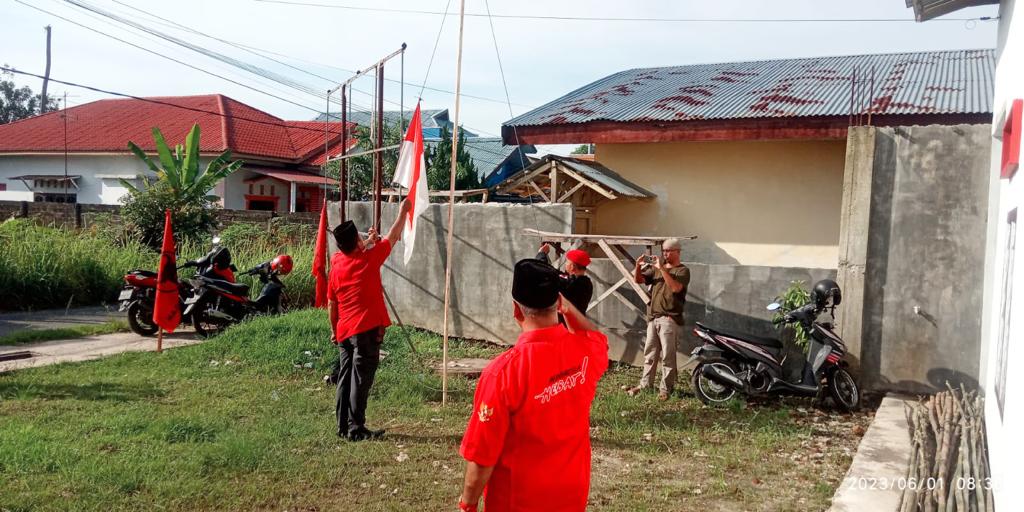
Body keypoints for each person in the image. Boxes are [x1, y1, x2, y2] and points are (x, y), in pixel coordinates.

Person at [458, 259, 609, 512]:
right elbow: (596, 338)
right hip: (571, 495)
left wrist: (467, 504)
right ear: (559, 304)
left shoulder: (503, 373)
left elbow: (483, 456)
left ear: (516, 310)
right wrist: (568, 309)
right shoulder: (586, 352)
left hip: (519, 501)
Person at [328, 198, 411, 441]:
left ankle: (343, 426)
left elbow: (332, 303)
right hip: (365, 330)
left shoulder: (337, 263)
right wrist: (403, 211)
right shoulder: (368, 261)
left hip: (344, 330)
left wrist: (334, 329)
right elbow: (394, 237)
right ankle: (356, 429)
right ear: (355, 241)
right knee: (360, 381)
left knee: (345, 377)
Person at [625, 238, 691, 401]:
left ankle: (665, 389)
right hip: (653, 317)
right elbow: (638, 280)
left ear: (677, 252)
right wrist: (639, 266)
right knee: (650, 354)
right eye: (664, 251)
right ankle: (645, 384)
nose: (665, 254)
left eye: (669, 251)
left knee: (668, 356)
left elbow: (676, 288)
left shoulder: (682, 271)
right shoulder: (655, 269)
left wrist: (661, 268)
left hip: (670, 318)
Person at [536, 243, 594, 316]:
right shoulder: (586, 283)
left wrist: (541, 254)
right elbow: (555, 273)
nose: (565, 264)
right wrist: (543, 255)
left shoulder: (570, 283)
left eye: (567, 262)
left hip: (565, 325)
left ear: (572, 266)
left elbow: (545, 272)